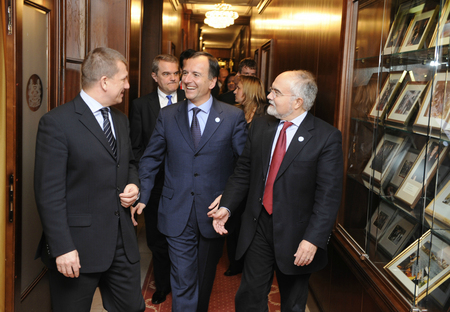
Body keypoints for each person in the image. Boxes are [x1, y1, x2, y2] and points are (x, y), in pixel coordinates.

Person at [208, 70, 343, 311]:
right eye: (271, 89)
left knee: (292, 303)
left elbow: (328, 196)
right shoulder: (261, 125)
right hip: (258, 225)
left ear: (297, 102)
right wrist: (227, 206)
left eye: (276, 92)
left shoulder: (326, 137)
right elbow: (243, 172)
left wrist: (313, 239)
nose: (269, 95)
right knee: (249, 297)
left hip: (297, 234)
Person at [133, 52, 248, 312]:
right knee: (183, 280)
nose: (187, 79)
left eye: (196, 74)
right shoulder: (168, 115)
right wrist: (142, 194)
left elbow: (244, 166)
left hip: (212, 214)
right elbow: (150, 159)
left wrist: (228, 199)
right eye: (185, 73)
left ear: (212, 81)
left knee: (204, 280)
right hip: (176, 211)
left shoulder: (232, 117)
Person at [34, 47, 145, 312]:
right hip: (77, 248)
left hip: (122, 244)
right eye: (124, 79)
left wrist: (133, 185)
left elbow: (128, 163)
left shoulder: (120, 120)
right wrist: (62, 248)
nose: (128, 86)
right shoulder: (57, 123)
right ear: (104, 81)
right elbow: (49, 193)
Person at [129, 54, 186, 304]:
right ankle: (163, 284)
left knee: (183, 236)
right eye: (166, 74)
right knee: (157, 238)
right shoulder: (141, 105)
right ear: (154, 76)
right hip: (155, 185)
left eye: (176, 73)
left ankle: (184, 283)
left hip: (185, 183)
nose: (173, 78)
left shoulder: (191, 99)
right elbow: (136, 146)